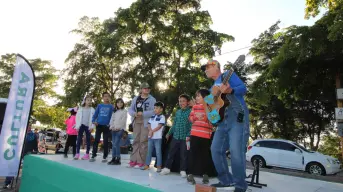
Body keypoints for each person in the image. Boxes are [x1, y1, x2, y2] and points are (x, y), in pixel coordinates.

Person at [201, 59, 250, 192]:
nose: (205, 70)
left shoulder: (228, 74)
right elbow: (211, 111)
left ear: (216, 67)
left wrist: (230, 90)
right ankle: (225, 180)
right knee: (215, 150)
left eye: (207, 67)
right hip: (222, 122)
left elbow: (243, 88)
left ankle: (240, 186)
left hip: (236, 115)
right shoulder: (212, 89)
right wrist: (212, 114)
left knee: (236, 151)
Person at [186, 89, 217, 185]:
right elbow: (190, 118)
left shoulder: (211, 107)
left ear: (206, 98)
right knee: (192, 154)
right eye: (196, 96)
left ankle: (205, 175)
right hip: (194, 134)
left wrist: (205, 116)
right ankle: (189, 174)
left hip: (206, 136)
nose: (196, 98)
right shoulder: (194, 107)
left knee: (205, 156)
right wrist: (195, 117)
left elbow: (215, 121)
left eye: (199, 96)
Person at [160, 94, 192, 178]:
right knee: (171, 153)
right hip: (175, 137)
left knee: (184, 155)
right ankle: (167, 168)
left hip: (185, 138)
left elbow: (192, 125)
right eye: (180, 101)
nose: (181, 103)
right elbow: (174, 125)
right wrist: (169, 133)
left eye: (183, 101)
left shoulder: (191, 112)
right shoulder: (178, 112)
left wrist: (188, 136)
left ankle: (183, 170)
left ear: (188, 102)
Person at [127, 82, 156, 168]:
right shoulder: (136, 99)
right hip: (136, 121)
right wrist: (134, 114)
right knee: (135, 140)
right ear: (141, 90)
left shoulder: (152, 99)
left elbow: (154, 111)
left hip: (146, 122)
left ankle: (141, 161)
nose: (147, 89)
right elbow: (130, 109)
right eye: (145, 88)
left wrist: (143, 113)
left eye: (148, 88)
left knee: (143, 141)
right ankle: (133, 160)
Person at [141, 101, 166, 172]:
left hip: (158, 138)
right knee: (149, 151)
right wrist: (150, 130)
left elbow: (159, 126)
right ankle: (146, 165)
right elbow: (149, 124)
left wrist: (152, 131)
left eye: (157, 108)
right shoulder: (152, 116)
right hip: (150, 138)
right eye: (154, 108)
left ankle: (159, 166)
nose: (155, 109)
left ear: (161, 109)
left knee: (158, 152)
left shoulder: (162, 117)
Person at [90, 92, 115, 162]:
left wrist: (110, 124)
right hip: (99, 125)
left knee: (106, 141)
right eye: (105, 96)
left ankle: (105, 156)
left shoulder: (111, 107)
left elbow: (113, 116)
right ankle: (93, 155)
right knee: (96, 140)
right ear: (103, 98)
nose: (106, 98)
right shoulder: (99, 106)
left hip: (107, 126)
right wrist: (93, 121)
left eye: (108, 96)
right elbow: (95, 115)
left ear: (109, 98)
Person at [74, 96, 95, 160]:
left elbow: (94, 119)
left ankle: (87, 154)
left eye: (90, 100)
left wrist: (92, 127)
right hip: (81, 125)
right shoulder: (80, 109)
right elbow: (77, 118)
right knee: (79, 139)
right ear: (85, 101)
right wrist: (77, 126)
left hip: (88, 126)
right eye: (88, 100)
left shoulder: (92, 109)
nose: (89, 101)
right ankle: (77, 154)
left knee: (88, 140)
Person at [108, 98, 128, 165]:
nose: (120, 104)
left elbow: (123, 121)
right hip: (113, 130)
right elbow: (112, 120)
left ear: (123, 104)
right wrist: (112, 127)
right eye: (118, 102)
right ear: (116, 104)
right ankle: (113, 158)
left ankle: (118, 159)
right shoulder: (114, 111)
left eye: (121, 102)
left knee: (116, 144)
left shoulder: (124, 111)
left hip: (120, 130)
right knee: (113, 144)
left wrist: (118, 128)